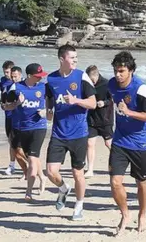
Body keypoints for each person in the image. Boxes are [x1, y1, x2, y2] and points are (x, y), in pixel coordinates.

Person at [45, 45, 97, 221]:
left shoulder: (81, 76)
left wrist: (76, 100)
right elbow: (49, 99)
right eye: (72, 57)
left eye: (76, 57)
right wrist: (49, 111)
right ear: (61, 59)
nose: (75, 60)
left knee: (78, 173)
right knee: (51, 172)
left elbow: (93, 103)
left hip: (79, 134)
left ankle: (79, 206)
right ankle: (62, 188)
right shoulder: (51, 79)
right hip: (59, 133)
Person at [107, 51, 146, 234]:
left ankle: (142, 214)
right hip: (120, 141)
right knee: (115, 182)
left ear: (131, 71)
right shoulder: (112, 84)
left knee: (141, 182)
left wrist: (129, 112)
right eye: (115, 71)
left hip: (140, 143)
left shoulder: (140, 88)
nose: (117, 75)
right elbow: (103, 98)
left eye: (121, 71)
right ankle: (125, 214)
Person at [4, 63, 49, 199]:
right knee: (30, 157)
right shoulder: (16, 88)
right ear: (29, 76)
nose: (40, 78)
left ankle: (28, 191)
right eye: (38, 76)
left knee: (32, 157)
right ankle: (42, 177)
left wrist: (46, 111)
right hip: (21, 127)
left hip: (39, 126)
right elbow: (5, 107)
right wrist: (17, 103)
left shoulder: (44, 87)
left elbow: (53, 102)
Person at [84, 65, 113, 178]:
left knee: (109, 143)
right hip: (91, 119)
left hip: (105, 118)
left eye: (91, 79)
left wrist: (104, 103)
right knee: (90, 143)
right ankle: (90, 169)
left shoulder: (107, 84)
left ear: (95, 75)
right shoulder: (86, 84)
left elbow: (112, 99)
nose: (90, 82)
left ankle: (117, 163)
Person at [5, 66, 28, 180]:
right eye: (12, 76)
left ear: (20, 75)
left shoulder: (24, 86)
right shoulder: (8, 86)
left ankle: (32, 165)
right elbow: (5, 103)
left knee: (20, 147)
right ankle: (17, 166)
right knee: (12, 144)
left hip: (22, 121)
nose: (13, 78)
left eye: (16, 76)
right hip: (9, 118)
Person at [0, 60, 18, 175]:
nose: (6, 75)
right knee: (11, 141)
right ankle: (12, 165)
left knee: (19, 144)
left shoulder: (18, 84)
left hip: (17, 117)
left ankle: (29, 167)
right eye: (4, 72)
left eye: (8, 72)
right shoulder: (2, 81)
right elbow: (3, 95)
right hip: (7, 116)